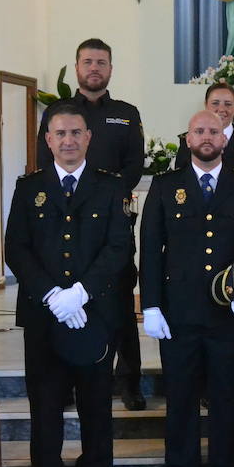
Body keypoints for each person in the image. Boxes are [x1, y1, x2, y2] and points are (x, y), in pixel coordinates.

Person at [6, 103, 134, 467]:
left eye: (76, 133)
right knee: (44, 407)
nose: (68, 141)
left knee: (96, 406)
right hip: (44, 317)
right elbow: (17, 249)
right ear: (47, 139)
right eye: (60, 133)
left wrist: (80, 293)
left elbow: (119, 246)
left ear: (88, 138)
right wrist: (52, 296)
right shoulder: (29, 187)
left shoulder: (110, 186)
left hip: (95, 314)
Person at [141, 111, 234, 467]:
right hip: (178, 317)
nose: (207, 137)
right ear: (188, 138)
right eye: (199, 131)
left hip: (227, 317)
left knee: (226, 399)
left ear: (225, 139)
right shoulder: (166, 187)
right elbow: (149, 250)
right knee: (180, 400)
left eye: (214, 131)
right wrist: (150, 306)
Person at [36, 39, 146, 411]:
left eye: (101, 62)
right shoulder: (57, 112)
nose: (94, 68)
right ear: (78, 67)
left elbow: (134, 165)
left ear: (111, 68)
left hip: (112, 221)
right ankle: (67, 379)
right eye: (87, 62)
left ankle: (129, 381)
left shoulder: (126, 113)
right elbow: (43, 162)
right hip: (65, 220)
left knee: (118, 300)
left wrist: (106, 196)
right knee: (69, 296)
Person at [174, 81, 234, 198]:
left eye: (228, 104)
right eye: (215, 103)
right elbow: (178, 185)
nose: (222, 109)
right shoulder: (188, 141)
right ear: (206, 105)